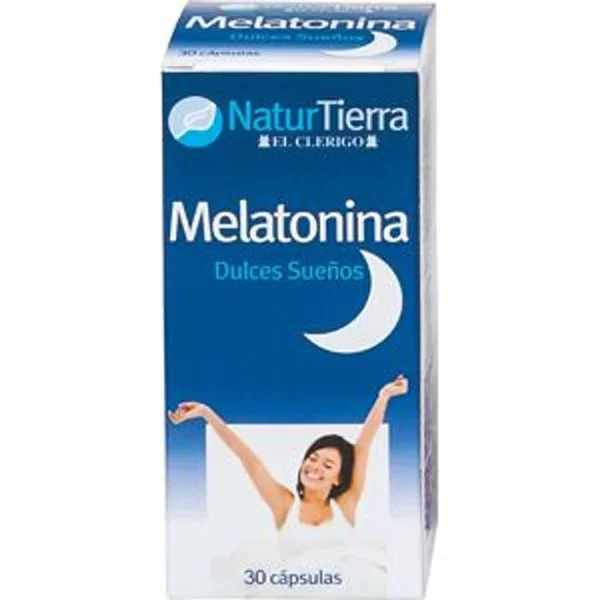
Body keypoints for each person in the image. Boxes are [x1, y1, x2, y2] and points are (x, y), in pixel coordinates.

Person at [168, 375, 408, 535]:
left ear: (338, 478)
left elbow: (362, 449)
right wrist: (206, 413)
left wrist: (383, 397)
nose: (315, 467)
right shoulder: (285, 505)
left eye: (327, 465)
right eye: (312, 458)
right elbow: (249, 459)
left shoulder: (346, 504)